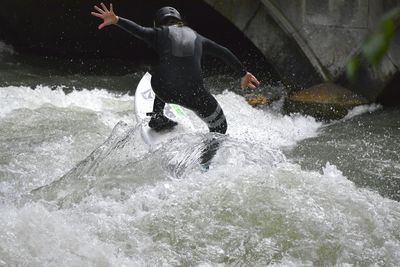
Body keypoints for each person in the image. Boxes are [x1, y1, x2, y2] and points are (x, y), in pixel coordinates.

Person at [91, 3, 260, 134]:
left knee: (161, 69)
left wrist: (117, 20)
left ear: (158, 23)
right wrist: (243, 73)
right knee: (220, 128)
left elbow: (139, 31)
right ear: (180, 21)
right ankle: (205, 162)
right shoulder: (197, 37)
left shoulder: (159, 33)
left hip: (164, 89)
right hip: (195, 95)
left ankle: (157, 117)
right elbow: (224, 52)